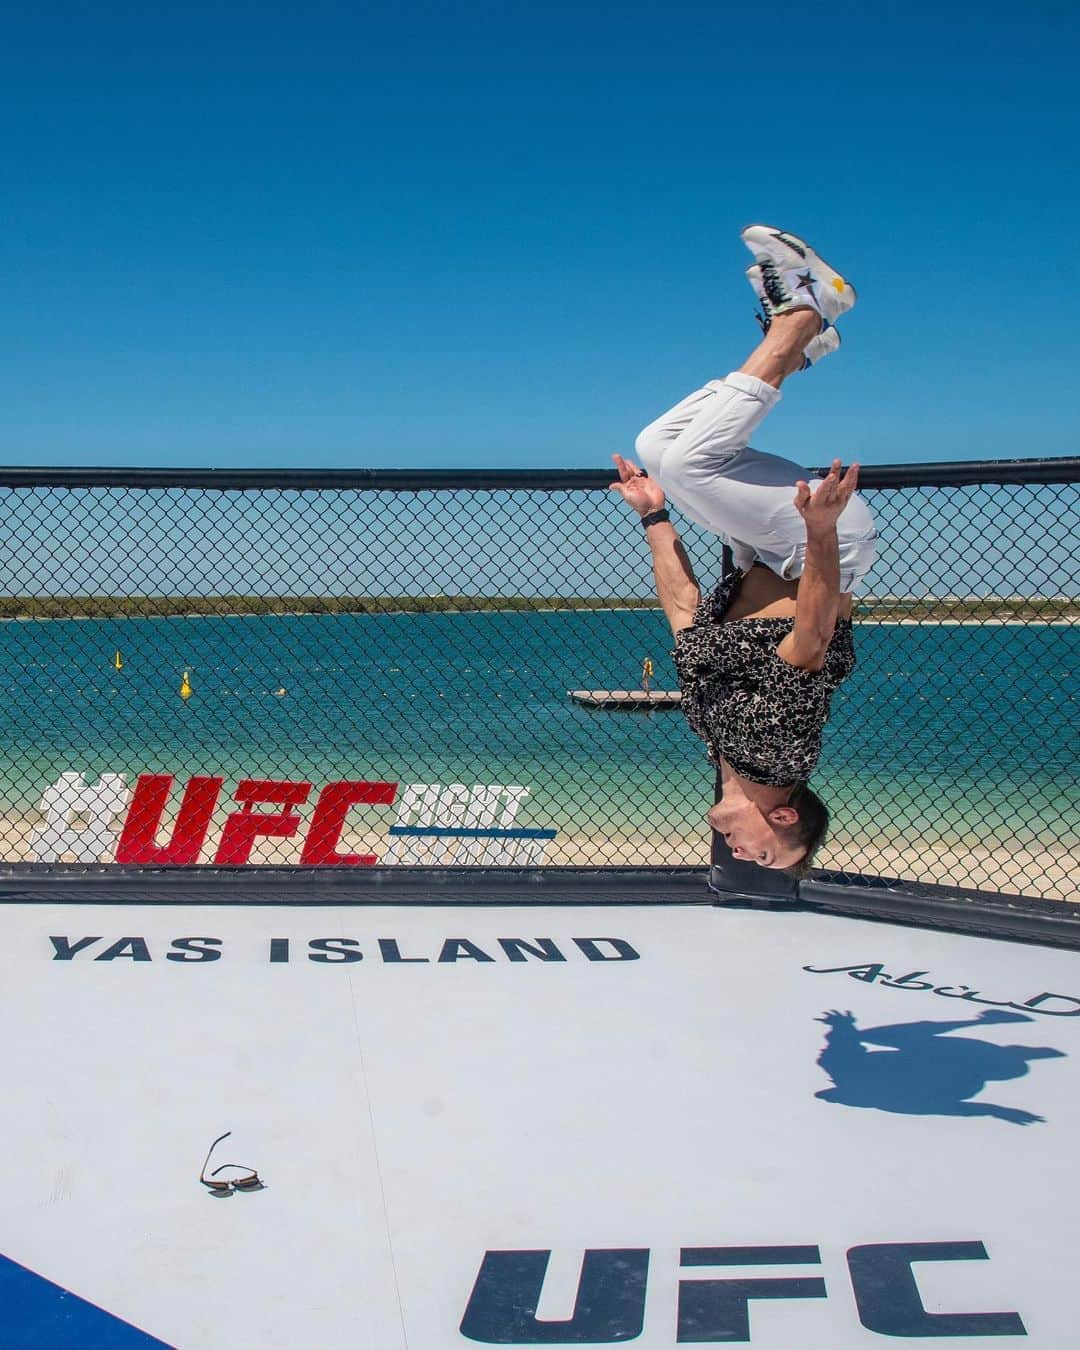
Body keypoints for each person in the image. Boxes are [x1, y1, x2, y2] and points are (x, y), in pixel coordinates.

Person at [609, 225, 879, 878]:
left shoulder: (720, 746)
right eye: (765, 853)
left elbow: (683, 610)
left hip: (763, 550)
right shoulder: (779, 754)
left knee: (659, 447)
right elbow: (811, 638)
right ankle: (809, 310)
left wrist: (656, 518)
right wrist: (820, 531)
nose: (745, 855)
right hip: (817, 545)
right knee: (692, 459)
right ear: (783, 817)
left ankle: (800, 345)